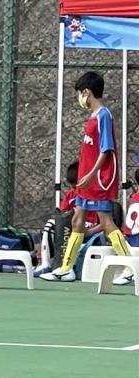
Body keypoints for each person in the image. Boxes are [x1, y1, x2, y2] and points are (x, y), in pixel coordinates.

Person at [42, 71, 131, 281]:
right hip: (86, 181)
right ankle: (66, 268)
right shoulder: (92, 117)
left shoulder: (103, 116)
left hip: (97, 181)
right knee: (77, 220)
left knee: (106, 222)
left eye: (80, 93)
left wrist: (91, 174)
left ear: (87, 92)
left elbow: (106, 149)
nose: (79, 98)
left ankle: (131, 267)